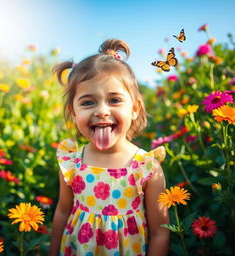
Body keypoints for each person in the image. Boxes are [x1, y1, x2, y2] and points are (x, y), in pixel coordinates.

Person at [49, 39, 170, 256]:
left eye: (114, 100)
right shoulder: (71, 163)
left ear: (134, 109)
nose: (102, 111)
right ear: (73, 112)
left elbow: (160, 232)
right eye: (88, 103)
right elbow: (62, 211)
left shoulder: (147, 167)